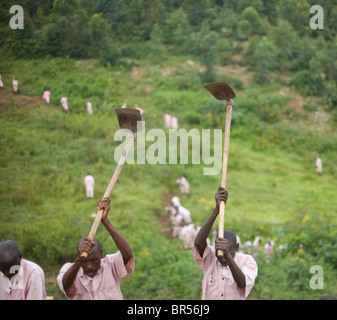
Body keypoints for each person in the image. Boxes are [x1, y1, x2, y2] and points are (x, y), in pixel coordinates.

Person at [57, 198, 134, 300]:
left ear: (100, 254)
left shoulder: (110, 265)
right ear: (77, 256)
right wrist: (80, 260)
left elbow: (127, 255)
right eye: (85, 261)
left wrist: (105, 221)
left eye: (94, 260)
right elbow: (65, 284)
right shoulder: (70, 270)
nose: (90, 267)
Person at [193, 187, 258, 300]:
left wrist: (228, 258)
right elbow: (198, 243)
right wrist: (216, 210)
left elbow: (242, 283)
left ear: (236, 247)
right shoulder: (211, 258)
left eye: (227, 251)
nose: (221, 257)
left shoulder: (247, 261)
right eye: (219, 252)